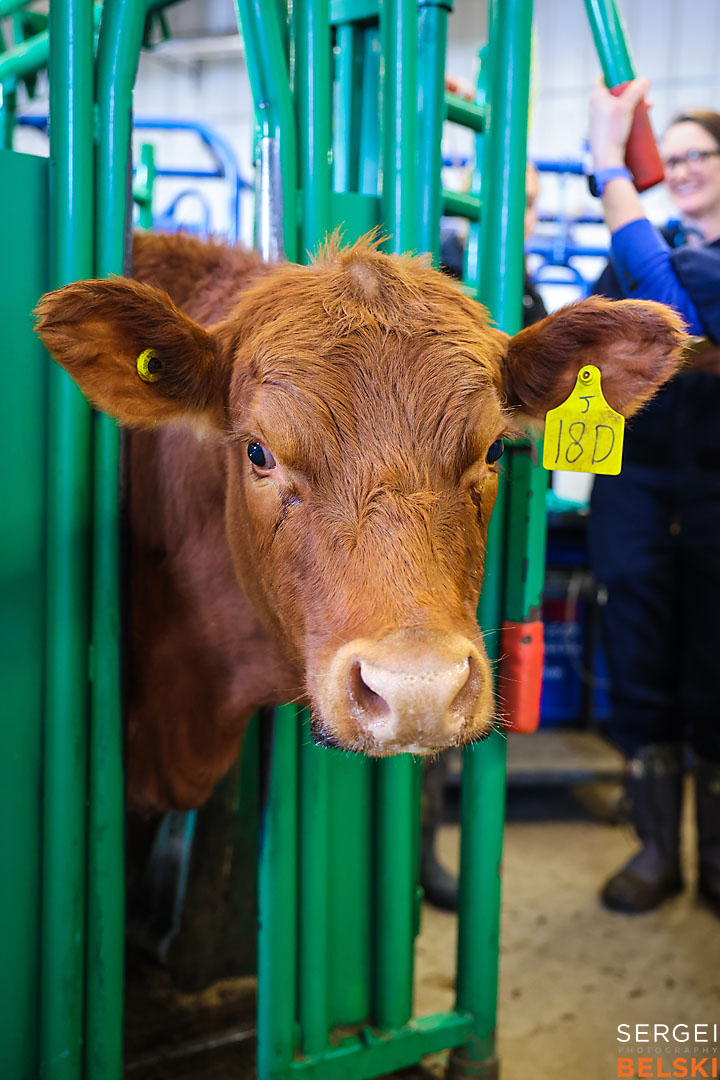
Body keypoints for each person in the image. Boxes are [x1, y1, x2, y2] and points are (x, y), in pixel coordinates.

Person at [587, 78, 720, 915]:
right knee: (637, 657)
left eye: (696, 153)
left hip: (717, 498)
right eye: (668, 159)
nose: (682, 168)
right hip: (634, 493)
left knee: (717, 666)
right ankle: (654, 852)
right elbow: (594, 349)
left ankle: (717, 863)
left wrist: (608, 165)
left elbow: (675, 306)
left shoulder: (684, 263)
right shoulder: (639, 252)